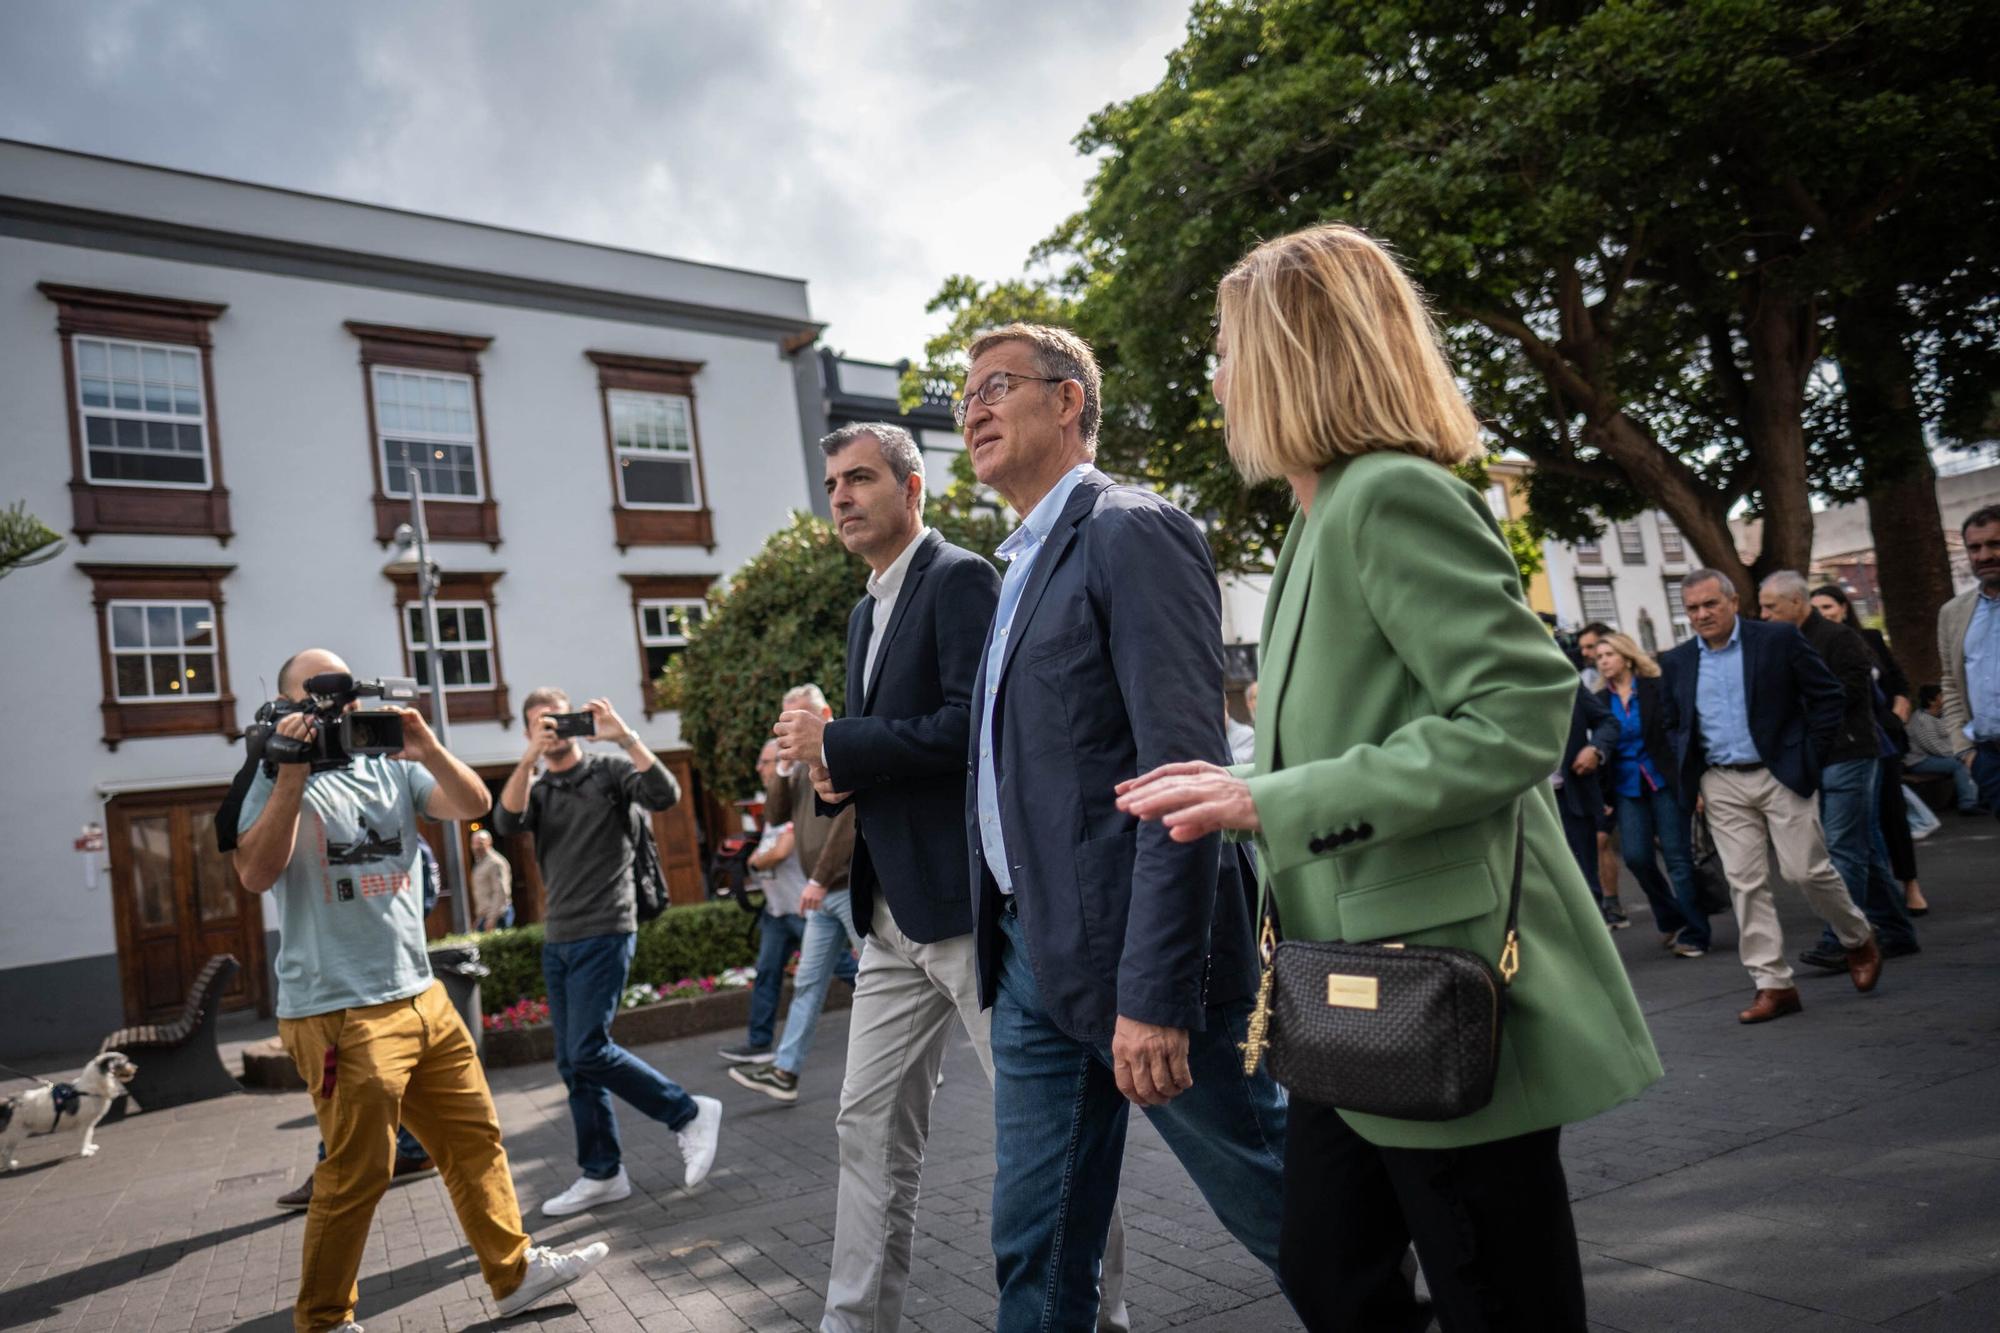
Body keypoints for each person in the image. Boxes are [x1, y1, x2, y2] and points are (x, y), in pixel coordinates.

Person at [1120, 225, 1660, 1332]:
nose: (1215, 378)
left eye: (1225, 349)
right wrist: (1237, 774)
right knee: (1331, 1275)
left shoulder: (1385, 496)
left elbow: (1515, 718)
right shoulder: (1320, 513)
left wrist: (1267, 799)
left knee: (1495, 1294)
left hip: (1438, 982)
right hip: (1350, 993)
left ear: (1292, 355)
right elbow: (1368, 721)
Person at [956, 324, 1289, 1331]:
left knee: (1281, 1205)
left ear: (1068, 402)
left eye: (994, 386)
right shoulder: (1013, 568)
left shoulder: (1128, 530)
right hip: (1028, 960)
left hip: (1140, 964)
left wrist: (1153, 995)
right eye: (960, 393)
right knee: (1035, 1245)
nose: (968, 408)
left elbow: (1184, 778)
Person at [770, 422, 1131, 1332]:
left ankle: (1102, 1315)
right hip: (886, 918)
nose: (842, 497)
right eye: (832, 484)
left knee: (1049, 1144)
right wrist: (833, 769)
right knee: (866, 1128)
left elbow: (978, 726)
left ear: (913, 487)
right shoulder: (863, 611)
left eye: (860, 479)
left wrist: (843, 742)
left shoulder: (963, 577)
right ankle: (853, 1323)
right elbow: (896, 749)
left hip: (972, 914)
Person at [235, 649, 606, 1330]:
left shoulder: (392, 765)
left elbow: (475, 802)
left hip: (419, 991)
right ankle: (323, 1318)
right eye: (320, 698)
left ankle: (514, 1272)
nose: (339, 711)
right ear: (288, 708)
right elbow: (256, 873)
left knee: (475, 1138)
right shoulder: (269, 773)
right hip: (337, 1007)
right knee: (359, 1170)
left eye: (346, 695)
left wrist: (428, 746)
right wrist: (290, 770)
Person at [494, 688, 721, 1217]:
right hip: (560, 936)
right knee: (573, 1063)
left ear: (574, 721)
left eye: (554, 720)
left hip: (608, 927)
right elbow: (504, 823)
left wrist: (625, 735)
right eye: (536, 725)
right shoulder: (538, 788)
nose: (548, 731)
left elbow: (665, 796)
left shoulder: (608, 771)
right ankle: (602, 1173)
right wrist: (528, 758)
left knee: (590, 1049)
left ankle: (687, 1113)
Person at [1658, 570, 1882, 1023]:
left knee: (1805, 870)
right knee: (1744, 881)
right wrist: (1694, 777)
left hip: (1780, 772)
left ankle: (1857, 938)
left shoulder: (1776, 640)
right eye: (1693, 608)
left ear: (1732, 601)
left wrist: (1810, 756)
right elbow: (1672, 723)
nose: (1702, 615)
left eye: (1710, 605)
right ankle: (1773, 984)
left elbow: (1827, 696)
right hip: (1721, 781)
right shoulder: (1678, 660)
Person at [1756, 573, 1920, 969]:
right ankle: (1896, 929)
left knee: (1843, 846)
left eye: (1770, 608)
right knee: (1857, 846)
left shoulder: (1840, 639)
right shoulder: (1781, 643)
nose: (1763, 616)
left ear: (1797, 602)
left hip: (1851, 752)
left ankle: (1843, 938)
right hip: (1820, 757)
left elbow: (1845, 696)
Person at [726, 684, 862, 1094]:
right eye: (786, 722)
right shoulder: (801, 762)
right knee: (808, 982)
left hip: (846, 886)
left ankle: (921, 1065)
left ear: (824, 712)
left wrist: (818, 880)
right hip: (821, 893)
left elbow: (847, 823)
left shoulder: (844, 749)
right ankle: (785, 1072)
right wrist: (783, 769)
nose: (793, 729)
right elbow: (774, 815)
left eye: (799, 718)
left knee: (883, 976)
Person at [1809, 583, 1926, 912]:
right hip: (1846, 745)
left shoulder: (1869, 640)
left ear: (1844, 608)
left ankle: (1910, 885)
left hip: (1882, 737)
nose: (1823, 615)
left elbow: (1898, 680)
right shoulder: (1810, 646)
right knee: (1864, 822)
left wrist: (1900, 704)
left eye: (1828, 607)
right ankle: (1880, 898)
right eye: (1815, 609)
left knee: (1892, 815)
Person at [1593, 632, 1711, 957]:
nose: (1602, 661)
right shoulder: (1601, 700)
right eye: (1599, 656)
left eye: (1609, 654)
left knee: (1677, 858)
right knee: (1636, 857)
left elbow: (1677, 735)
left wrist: (1693, 785)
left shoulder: (1655, 689)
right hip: (1627, 787)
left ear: (1627, 657)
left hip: (1663, 781)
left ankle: (1696, 932)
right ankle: (1670, 915)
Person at [718, 740, 813, 1065]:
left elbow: (781, 851)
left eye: (766, 761)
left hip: (803, 909)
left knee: (849, 971)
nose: (760, 768)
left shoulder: (794, 801)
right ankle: (759, 1044)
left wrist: (754, 862)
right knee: (767, 975)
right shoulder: (771, 806)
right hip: (777, 911)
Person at [1938, 505, 2000, 814]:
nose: (1983, 556)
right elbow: (1950, 682)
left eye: (1994, 544)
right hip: (1990, 758)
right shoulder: (1953, 613)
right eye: (1974, 547)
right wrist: (1965, 751)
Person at [1554, 683, 1622, 926]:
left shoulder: (1563, 680)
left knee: (1586, 880)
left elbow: (1608, 723)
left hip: (1569, 796)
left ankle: (1595, 944)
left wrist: (1595, 748)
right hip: (1523, 804)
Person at [1574, 621, 1629, 915]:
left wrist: (1595, 749)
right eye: (1595, 653)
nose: (1595, 656)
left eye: (1594, 648)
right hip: (1606, 782)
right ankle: (1609, 903)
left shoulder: (1649, 688)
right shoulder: (1595, 690)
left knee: (1644, 852)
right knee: (1602, 843)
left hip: (1639, 779)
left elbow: (1607, 726)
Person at [1906, 684, 1988, 814]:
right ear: (1931, 701)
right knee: (1960, 764)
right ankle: (1968, 804)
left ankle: (1983, 799)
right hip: (1921, 760)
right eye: (1942, 696)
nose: (1946, 698)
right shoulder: (1921, 720)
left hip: (1943, 755)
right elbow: (1935, 748)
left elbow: (1959, 734)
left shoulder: (1943, 714)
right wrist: (1962, 754)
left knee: (1981, 758)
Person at [469, 829, 514, 931]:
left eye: (480, 843)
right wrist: (480, 918)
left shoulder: (495, 862)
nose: (476, 847)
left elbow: (500, 892)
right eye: (474, 843)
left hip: (497, 917)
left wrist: (492, 919)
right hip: (485, 917)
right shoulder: (480, 863)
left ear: (489, 842)